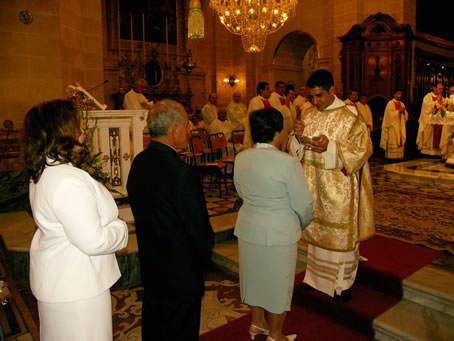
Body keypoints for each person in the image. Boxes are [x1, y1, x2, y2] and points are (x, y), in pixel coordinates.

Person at [23, 99, 129, 340]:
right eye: (76, 125)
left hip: (62, 281)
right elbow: (94, 241)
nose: (82, 130)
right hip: (78, 287)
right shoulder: (68, 180)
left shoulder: (43, 171)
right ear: (64, 132)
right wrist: (121, 230)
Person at [127, 99, 214, 341]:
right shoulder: (182, 173)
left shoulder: (139, 163)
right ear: (173, 130)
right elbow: (200, 231)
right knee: (180, 331)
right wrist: (203, 259)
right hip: (180, 274)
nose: (190, 131)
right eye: (187, 126)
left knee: (156, 328)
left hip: (152, 265)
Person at [289, 69, 375, 302]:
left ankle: (342, 282)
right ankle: (314, 278)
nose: (315, 102)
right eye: (312, 97)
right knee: (317, 233)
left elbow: (363, 149)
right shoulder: (308, 113)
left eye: (319, 96)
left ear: (332, 90)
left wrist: (330, 148)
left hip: (340, 187)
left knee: (339, 234)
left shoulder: (350, 115)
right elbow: (295, 149)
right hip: (314, 184)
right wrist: (297, 137)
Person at [234, 107, 313, 341]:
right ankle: (276, 334)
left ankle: (257, 323)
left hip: (249, 227)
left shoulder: (241, 157)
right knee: (279, 281)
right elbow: (304, 203)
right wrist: (301, 221)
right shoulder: (287, 163)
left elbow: (240, 191)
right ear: (278, 132)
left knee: (252, 277)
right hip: (279, 231)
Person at [416, 83, 445, 155]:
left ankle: (437, 152)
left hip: (438, 121)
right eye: (439, 89)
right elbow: (426, 109)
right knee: (429, 136)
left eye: (442, 89)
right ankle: (427, 152)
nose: (441, 91)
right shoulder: (428, 97)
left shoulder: (442, 98)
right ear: (434, 88)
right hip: (428, 121)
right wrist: (436, 101)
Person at [380, 90, 408, 159]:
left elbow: (406, 116)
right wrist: (398, 111)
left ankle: (399, 156)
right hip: (392, 126)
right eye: (398, 94)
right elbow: (389, 115)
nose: (400, 95)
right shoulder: (390, 103)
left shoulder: (402, 104)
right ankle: (391, 157)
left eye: (400, 94)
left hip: (400, 125)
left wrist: (404, 112)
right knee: (393, 139)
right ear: (394, 94)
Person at [244, 82, 272, 149]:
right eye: (267, 89)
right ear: (261, 90)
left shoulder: (268, 101)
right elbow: (256, 117)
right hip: (258, 132)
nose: (269, 91)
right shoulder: (255, 101)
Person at [269, 81, 293, 151]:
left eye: (284, 87)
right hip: (278, 125)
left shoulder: (285, 98)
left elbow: (291, 112)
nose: (282, 89)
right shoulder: (272, 97)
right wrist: (285, 106)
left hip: (285, 125)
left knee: (285, 144)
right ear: (276, 88)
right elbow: (275, 111)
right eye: (280, 87)